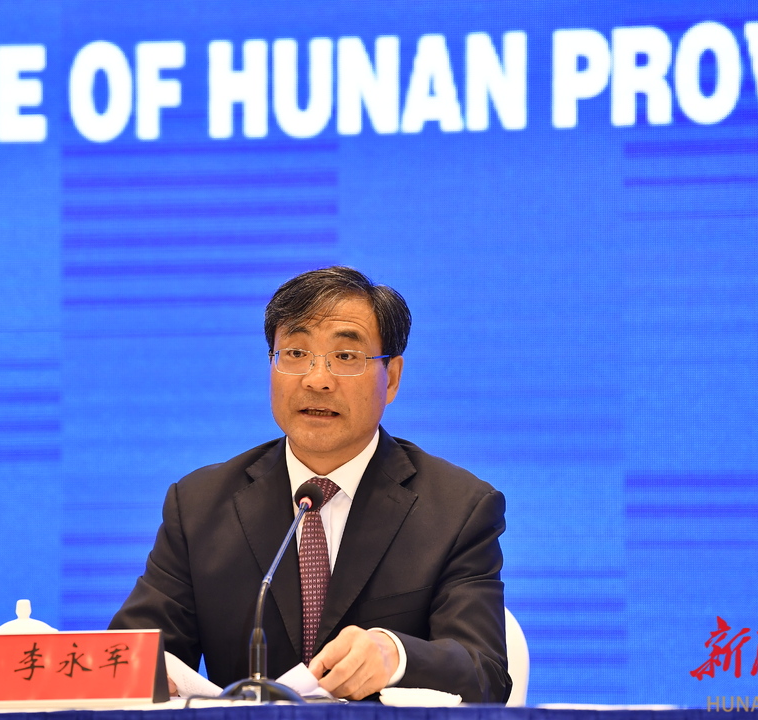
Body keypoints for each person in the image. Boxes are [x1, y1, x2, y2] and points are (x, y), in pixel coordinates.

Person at [110, 266, 510, 703]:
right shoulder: (200, 506)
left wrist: (395, 655)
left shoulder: (457, 509)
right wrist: (138, 678)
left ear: (392, 377)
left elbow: (485, 674)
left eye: (346, 356)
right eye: (296, 353)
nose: (316, 379)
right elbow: (129, 656)